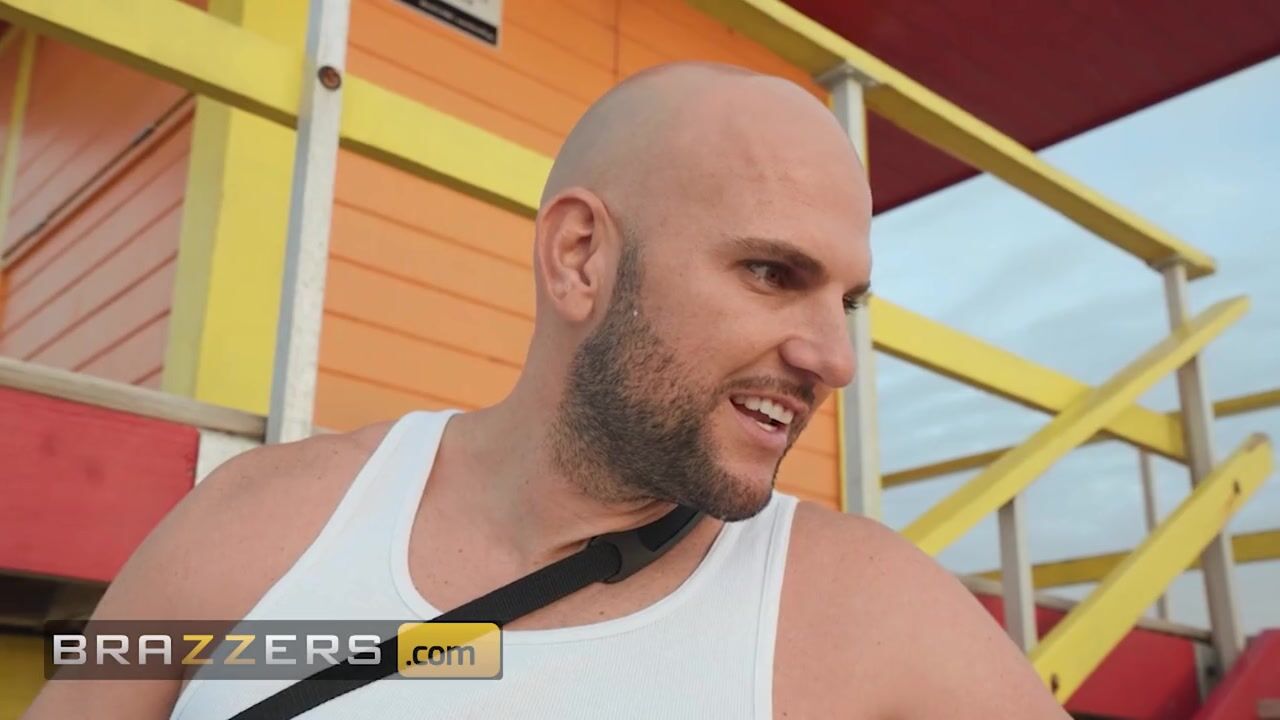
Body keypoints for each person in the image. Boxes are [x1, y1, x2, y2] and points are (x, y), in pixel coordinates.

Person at [23, 61, 1070, 719]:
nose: (833, 358)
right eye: (770, 272)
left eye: (847, 300)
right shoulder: (253, 524)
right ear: (580, 257)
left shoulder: (873, 616)